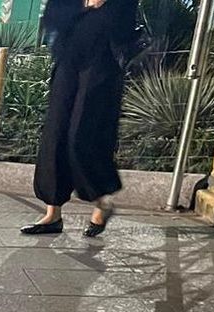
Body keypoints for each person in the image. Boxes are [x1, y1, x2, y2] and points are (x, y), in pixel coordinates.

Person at [21, 0, 138, 238]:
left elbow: (123, 26)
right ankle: (52, 213)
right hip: (68, 58)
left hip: (101, 63)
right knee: (55, 133)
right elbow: (53, 17)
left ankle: (101, 200)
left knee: (82, 134)